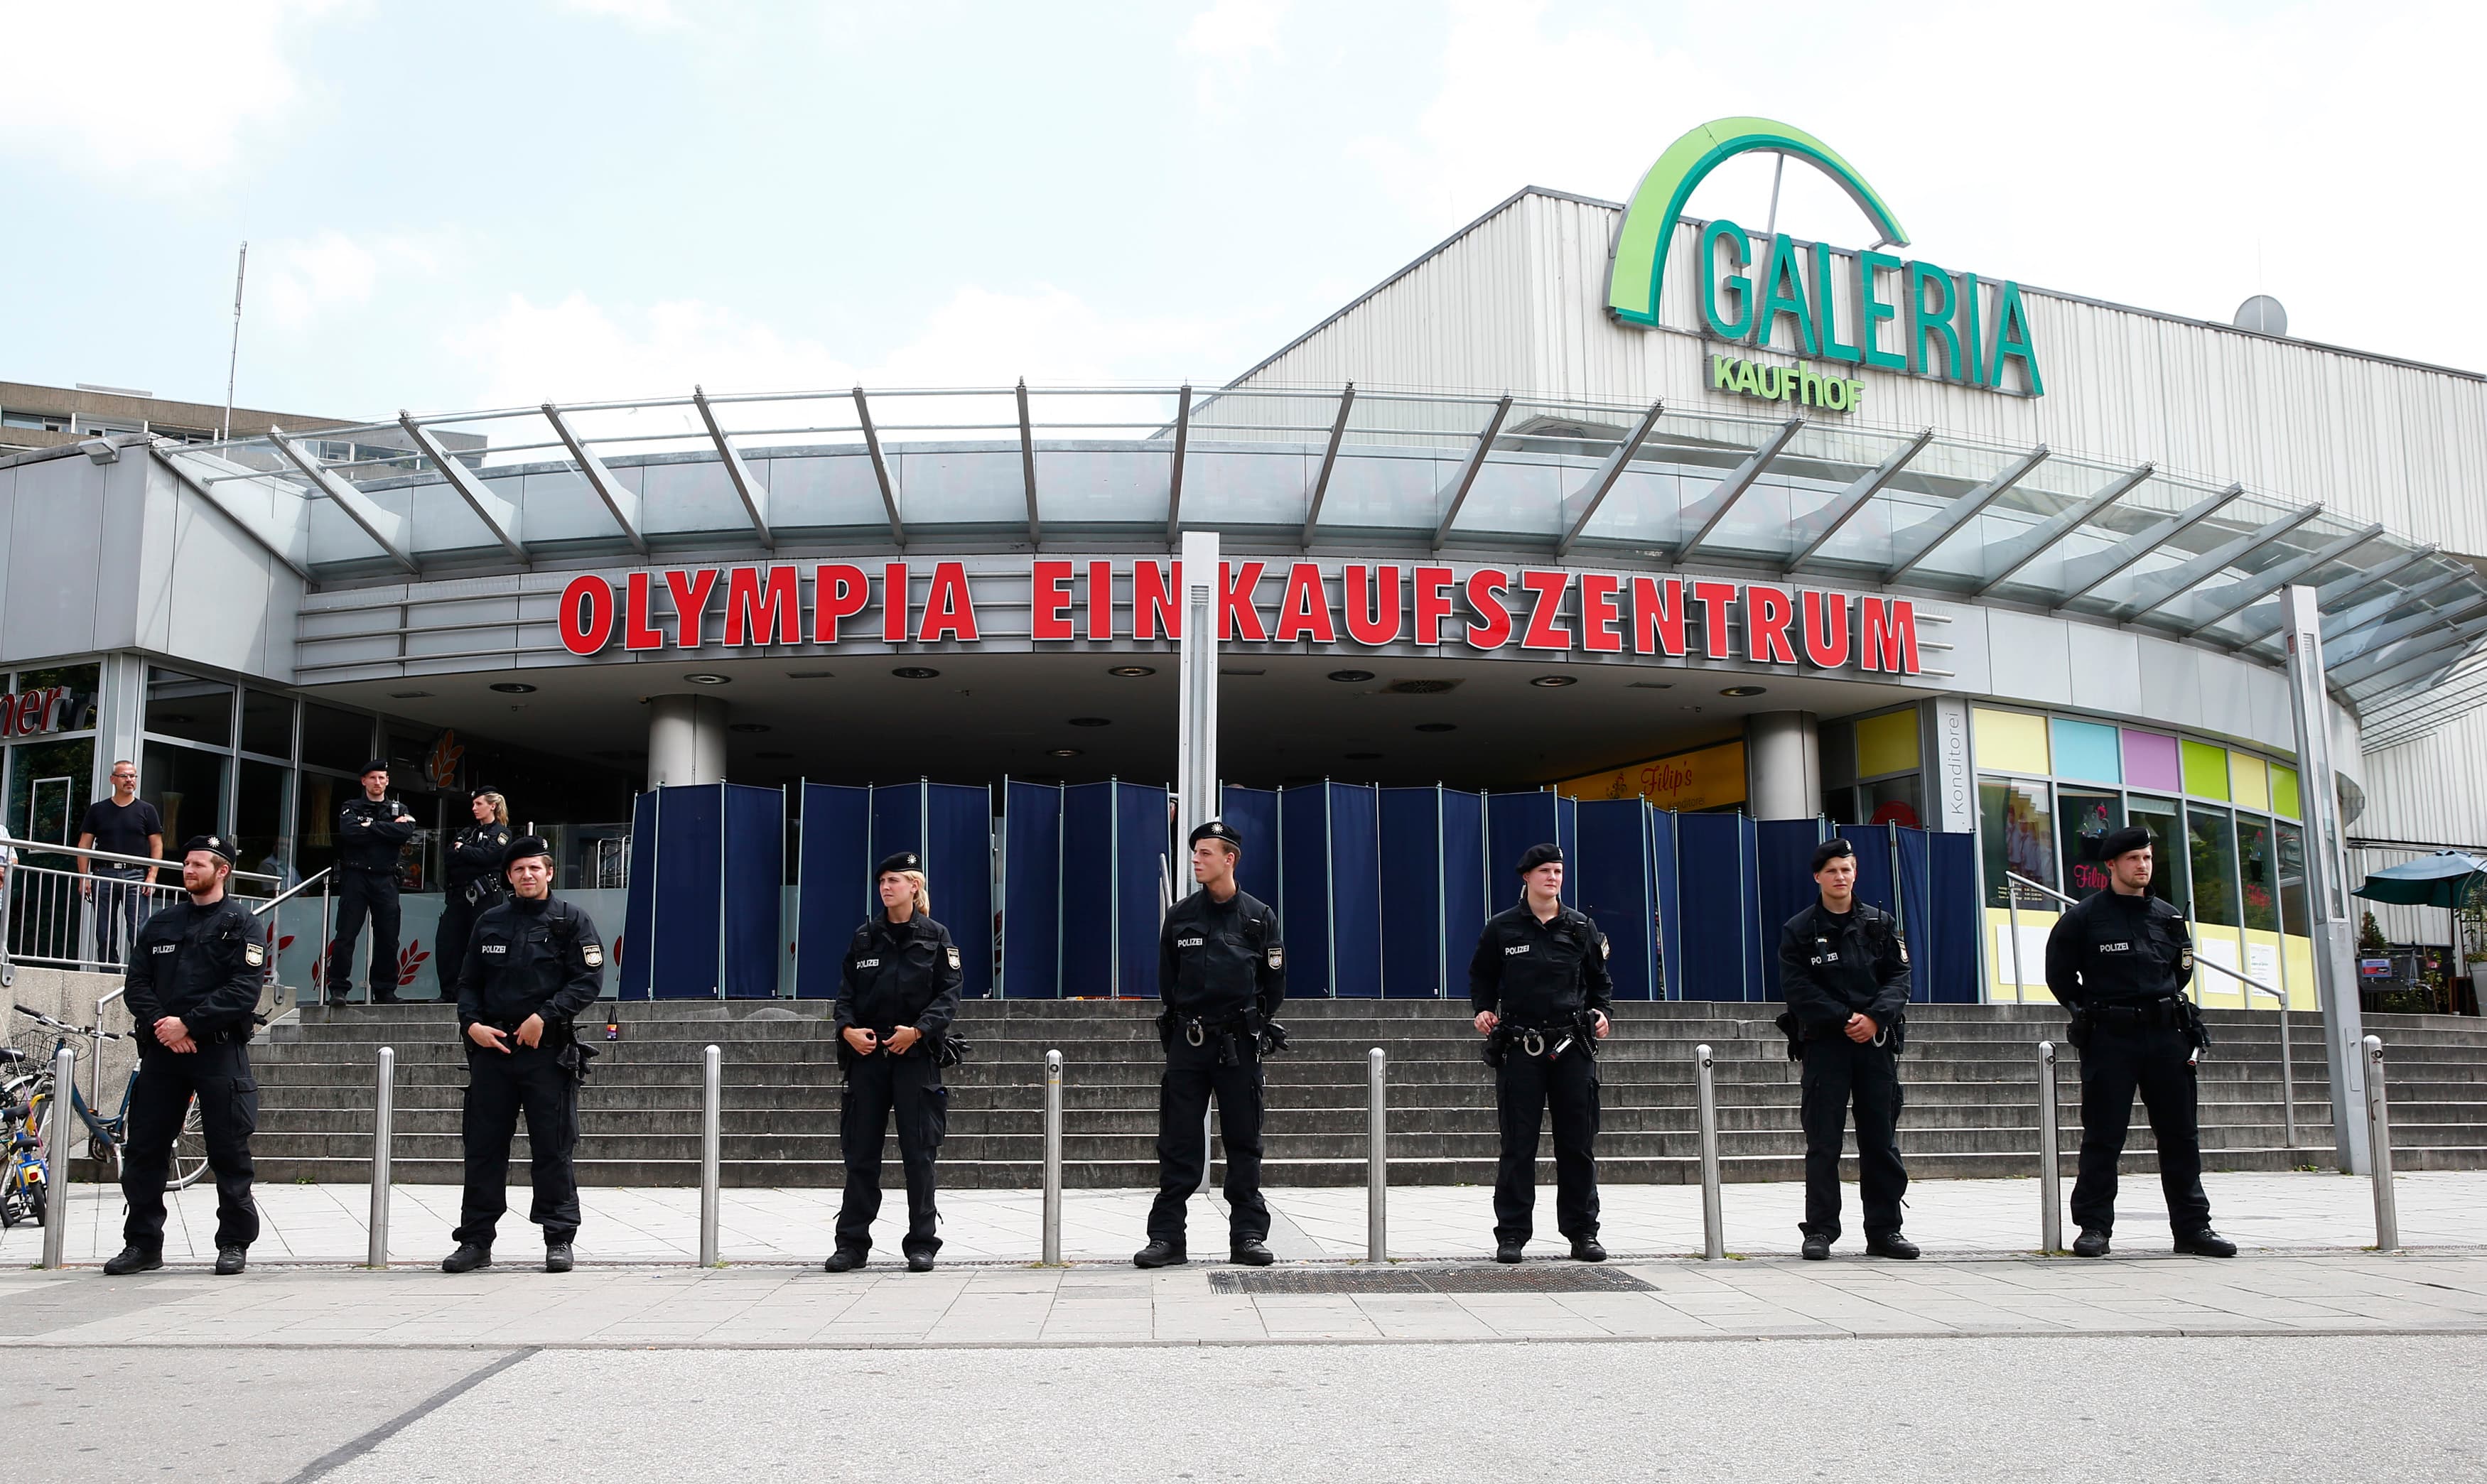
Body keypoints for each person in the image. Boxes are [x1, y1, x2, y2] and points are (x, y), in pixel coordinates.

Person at [2046, 825, 2237, 1259]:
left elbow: (2180, 971)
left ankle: (2193, 1228)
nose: (2143, 866)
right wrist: (2084, 1013)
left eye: (2148, 858)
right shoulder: (2083, 917)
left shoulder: (2168, 917)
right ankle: (2094, 1228)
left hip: (2167, 1035)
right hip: (2111, 1037)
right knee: (2103, 1136)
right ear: (2111, 865)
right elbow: (2059, 976)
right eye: (2134, 859)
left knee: (2180, 1135)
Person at [102, 835, 265, 1277]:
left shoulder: (243, 924)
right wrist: (165, 1027)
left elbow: (243, 992)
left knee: (229, 1151)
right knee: (144, 1151)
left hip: (218, 1051)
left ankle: (233, 1243)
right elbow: (137, 983)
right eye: (187, 863)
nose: (188, 870)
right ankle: (143, 1244)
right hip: (164, 1053)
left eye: (198, 864)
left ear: (222, 871)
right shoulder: (162, 923)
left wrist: (189, 1024)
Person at [441, 834, 605, 1274]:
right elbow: (467, 983)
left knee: (553, 1149)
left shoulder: (571, 921)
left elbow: (587, 981)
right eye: (518, 870)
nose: (527, 875)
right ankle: (475, 1241)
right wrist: (471, 1025)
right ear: (508, 876)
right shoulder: (490, 921)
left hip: (546, 1055)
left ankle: (559, 1238)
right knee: (482, 1149)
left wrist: (545, 1017)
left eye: (535, 868)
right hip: (492, 1051)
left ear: (549, 872)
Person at [1136, 818, 1285, 1269]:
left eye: (1204, 853)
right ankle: (1167, 1238)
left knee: (1243, 1140)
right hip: (1189, 1039)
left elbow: (1273, 986)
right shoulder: (1181, 917)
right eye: (1194, 853)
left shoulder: (1259, 917)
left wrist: (1253, 1023)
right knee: (1178, 1140)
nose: (1196, 861)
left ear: (1229, 858)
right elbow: (1168, 983)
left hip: (1239, 1042)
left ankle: (1248, 1235)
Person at [1776, 837, 1918, 1262]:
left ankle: (1885, 1231)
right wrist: (1844, 1019)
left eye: (1847, 869)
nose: (1841, 877)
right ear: (1817, 876)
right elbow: (1797, 988)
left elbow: (1901, 978)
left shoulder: (1879, 923)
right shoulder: (1799, 930)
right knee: (1824, 1143)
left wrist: (1874, 1018)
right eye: (1833, 870)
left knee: (1881, 1141)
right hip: (1826, 1046)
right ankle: (1820, 1231)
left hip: (1874, 1045)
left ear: (1855, 873)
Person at [1470, 843, 1613, 1264]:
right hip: (1521, 1046)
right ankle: (1512, 1234)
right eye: (1545, 871)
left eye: (1558, 871)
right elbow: (1482, 976)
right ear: (1526, 877)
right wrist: (1482, 1009)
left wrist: (1602, 1013)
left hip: (1572, 1046)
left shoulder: (1581, 928)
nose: (1553, 878)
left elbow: (1600, 982)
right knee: (1518, 1144)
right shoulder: (1502, 928)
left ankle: (1583, 1232)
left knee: (1577, 1143)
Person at [824, 851, 962, 1274]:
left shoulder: (936, 936)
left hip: (915, 1058)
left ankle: (922, 1243)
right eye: (882, 880)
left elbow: (949, 995)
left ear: (914, 886)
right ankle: (851, 1244)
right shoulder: (864, 937)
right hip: (868, 1058)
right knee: (860, 1154)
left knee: (919, 1154)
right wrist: (847, 1029)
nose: (886, 887)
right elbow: (845, 995)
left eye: (895, 880)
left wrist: (918, 1031)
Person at [327, 759, 415, 1004]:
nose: (378, 782)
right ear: (364, 781)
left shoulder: (399, 808)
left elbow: (406, 833)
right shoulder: (351, 806)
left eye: (382, 778)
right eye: (373, 778)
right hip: (356, 876)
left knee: (388, 937)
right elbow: (350, 833)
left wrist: (372, 826)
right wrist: (387, 830)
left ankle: (385, 990)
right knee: (346, 934)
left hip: (386, 877)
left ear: (387, 781)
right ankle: (338, 989)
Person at [77, 759, 164, 966]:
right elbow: (84, 845)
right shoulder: (98, 810)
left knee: (138, 929)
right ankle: (109, 971)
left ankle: (138, 973)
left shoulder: (147, 810)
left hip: (136, 876)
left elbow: (157, 845)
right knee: (105, 931)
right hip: (103, 874)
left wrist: (152, 875)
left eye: (133, 776)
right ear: (113, 779)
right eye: (124, 776)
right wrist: (84, 877)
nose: (130, 780)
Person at [436, 788, 513, 1001]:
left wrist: (465, 851)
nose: (474, 808)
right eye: (474, 804)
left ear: (492, 806)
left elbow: (489, 856)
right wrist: (466, 853)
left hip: (486, 896)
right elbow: (450, 857)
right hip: (460, 896)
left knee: (483, 943)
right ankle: (449, 992)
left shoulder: (502, 833)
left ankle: (483, 992)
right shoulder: (467, 832)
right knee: (448, 943)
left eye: (479, 804)